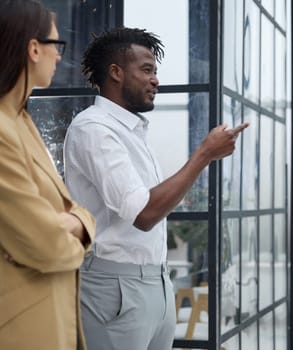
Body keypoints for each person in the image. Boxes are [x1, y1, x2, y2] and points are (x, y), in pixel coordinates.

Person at [64, 27, 248, 350]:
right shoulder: (93, 129)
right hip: (114, 287)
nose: (155, 80)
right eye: (146, 70)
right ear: (116, 73)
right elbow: (144, 213)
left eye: (156, 71)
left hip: (155, 283)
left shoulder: (133, 131)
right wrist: (204, 154)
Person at [0, 1, 95, 349]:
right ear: (34, 48)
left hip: (50, 325)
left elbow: (75, 213)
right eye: (57, 45)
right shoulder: (3, 130)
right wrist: (70, 226)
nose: (60, 57)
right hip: (21, 332)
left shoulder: (22, 122)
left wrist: (74, 222)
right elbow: (44, 244)